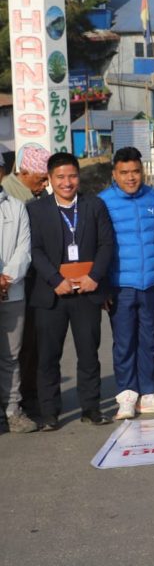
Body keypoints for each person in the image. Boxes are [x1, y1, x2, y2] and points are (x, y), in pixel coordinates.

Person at [28, 152, 114, 430]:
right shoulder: (36, 209)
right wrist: (55, 280)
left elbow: (106, 245)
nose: (67, 182)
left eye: (72, 176)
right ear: (50, 179)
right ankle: (50, 413)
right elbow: (35, 250)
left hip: (87, 291)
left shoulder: (94, 206)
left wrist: (94, 277)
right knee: (48, 356)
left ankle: (91, 407)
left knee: (88, 353)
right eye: (60, 177)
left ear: (79, 176)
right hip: (52, 293)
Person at [99, 147, 154, 419]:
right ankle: (127, 395)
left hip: (150, 282)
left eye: (135, 172)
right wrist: (103, 286)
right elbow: (98, 246)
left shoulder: (153, 197)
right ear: (114, 174)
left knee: (148, 341)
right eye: (124, 173)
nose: (131, 178)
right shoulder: (103, 202)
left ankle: (149, 393)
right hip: (120, 285)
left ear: (143, 171)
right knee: (124, 342)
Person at [3, 144, 50, 419]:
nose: (44, 183)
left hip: (29, 280)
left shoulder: (35, 194)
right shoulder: (10, 196)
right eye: (41, 177)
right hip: (13, 281)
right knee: (14, 348)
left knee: (29, 344)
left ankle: (27, 397)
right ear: (24, 171)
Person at [0, 155, 35, 432]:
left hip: (12, 292)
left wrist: (5, 279)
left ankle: (12, 410)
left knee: (11, 355)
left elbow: (24, 249)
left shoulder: (16, 207)